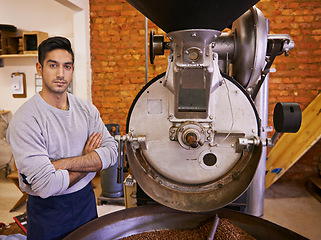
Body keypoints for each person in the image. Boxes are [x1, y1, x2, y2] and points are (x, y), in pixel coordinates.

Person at [6, 36, 118, 240]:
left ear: (73, 70)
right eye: (53, 65)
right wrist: (89, 162)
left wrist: (60, 164)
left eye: (67, 66)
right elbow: (46, 185)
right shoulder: (26, 120)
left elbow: (111, 152)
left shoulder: (86, 110)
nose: (60, 74)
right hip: (48, 212)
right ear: (39, 68)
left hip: (85, 203)